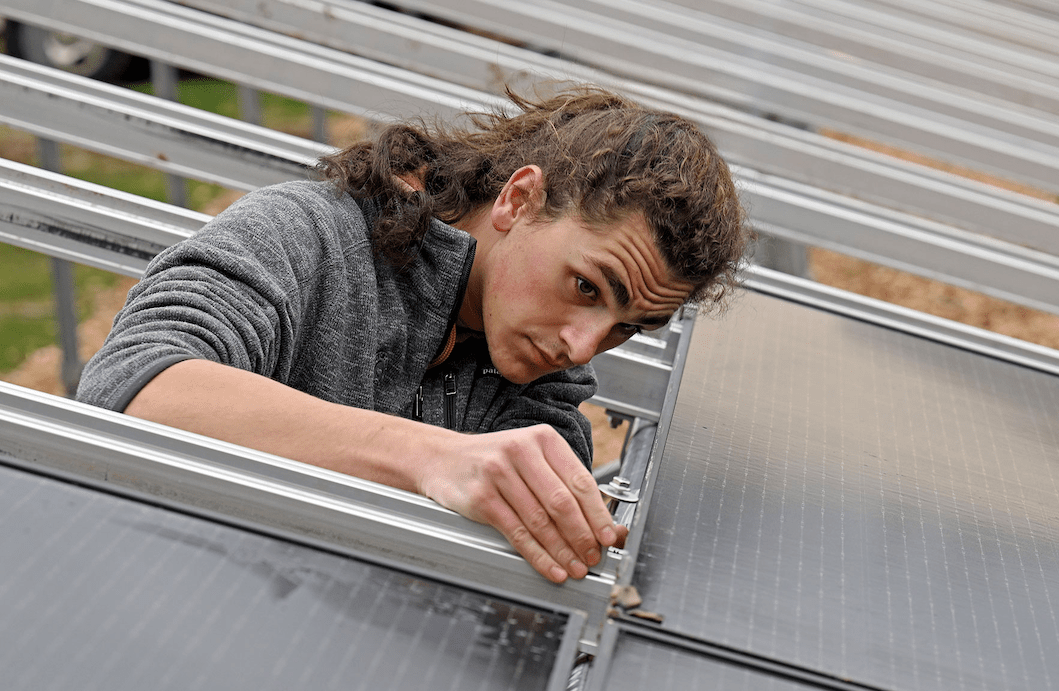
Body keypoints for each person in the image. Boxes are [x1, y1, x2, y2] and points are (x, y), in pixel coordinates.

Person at [75, 85, 750, 584]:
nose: (581, 347)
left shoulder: (542, 387)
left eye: (626, 327)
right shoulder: (308, 234)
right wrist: (427, 456)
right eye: (585, 287)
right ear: (519, 199)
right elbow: (130, 386)